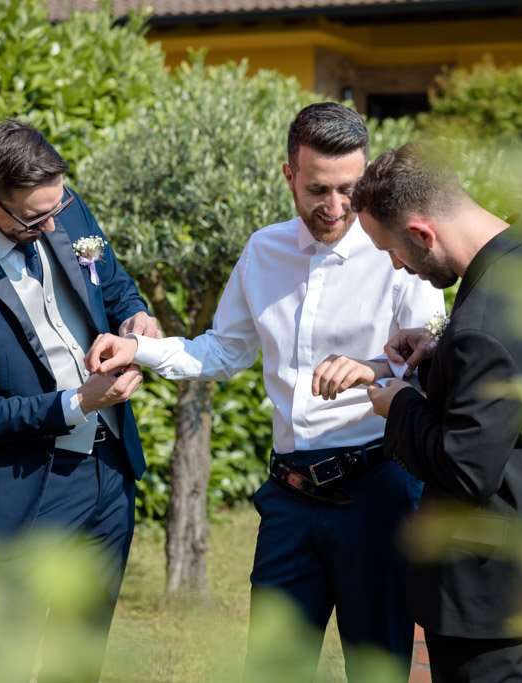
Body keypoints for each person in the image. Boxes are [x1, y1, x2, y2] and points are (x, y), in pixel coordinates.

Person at [84, 103, 444, 680]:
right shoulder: (262, 251)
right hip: (288, 499)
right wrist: (139, 350)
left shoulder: (398, 255)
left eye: (349, 189)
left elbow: (428, 356)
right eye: (318, 190)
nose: (334, 207)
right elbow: (223, 351)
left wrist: (371, 367)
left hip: (378, 493)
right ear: (288, 177)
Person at [342, 143, 522, 682]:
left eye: (392, 251)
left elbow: (467, 467)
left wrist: (397, 405)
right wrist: (437, 351)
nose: (397, 267)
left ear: (423, 233)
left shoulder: (482, 325)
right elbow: (519, 389)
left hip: (495, 602)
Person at [0, 119, 159, 683]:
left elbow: (115, 286)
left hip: (110, 469)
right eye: (35, 218)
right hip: (29, 493)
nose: (53, 224)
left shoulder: (63, 208)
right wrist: (77, 402)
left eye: (58, 207)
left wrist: (135, 320)